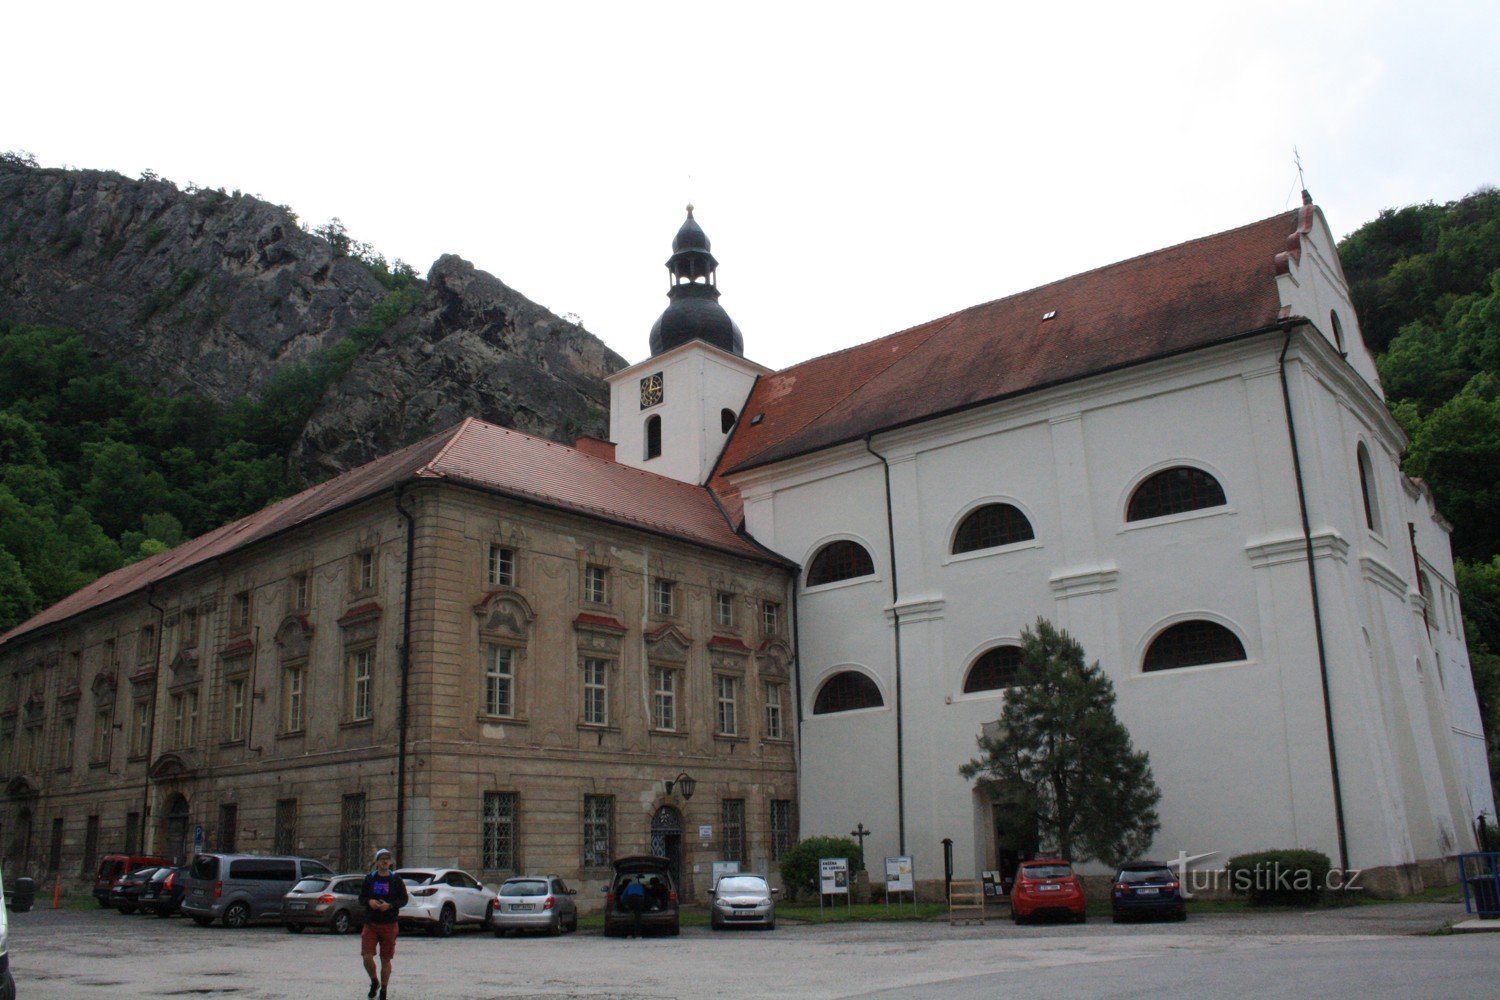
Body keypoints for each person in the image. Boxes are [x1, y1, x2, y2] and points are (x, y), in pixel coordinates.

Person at [358, 848, 408, 1000]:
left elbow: (403, 899)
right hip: (371, 923)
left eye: (387, 858)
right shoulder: (370, 878)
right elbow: (361, 898)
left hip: (389, 924)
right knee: (367, 957)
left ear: (390, 862)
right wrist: (369, 901)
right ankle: (374, 981)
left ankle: (384, 989)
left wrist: (390, 905)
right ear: (377, 862)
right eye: (381, 859)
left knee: (385, 959)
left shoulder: (395, 879)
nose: (385, 861)